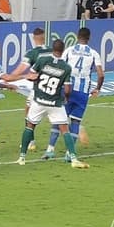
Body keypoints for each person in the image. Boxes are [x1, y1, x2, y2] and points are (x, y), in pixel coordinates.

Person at [5, 39, 89, 168]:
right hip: (55, 103)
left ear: (52, 49)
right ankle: (73, 159)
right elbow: (67, 90)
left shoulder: (42, 61)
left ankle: (22, 157)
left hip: (39, 101)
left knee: (30, 126)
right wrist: (65, 98)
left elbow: (31, 75)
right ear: (63, 50)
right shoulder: (66, 67)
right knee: (65, 129)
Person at [42, 28, 104, 160]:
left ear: (77, 36)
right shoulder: (93, 53)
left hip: (67, 89)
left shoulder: (69, 50)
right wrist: (97, 88)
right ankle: (69, 154)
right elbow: (101, 74)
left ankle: (50, 150)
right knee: (76, 121)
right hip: (83, 92)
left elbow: (60, 66)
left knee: (58, 119)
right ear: (89, 38)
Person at [3, 27, 51, 153]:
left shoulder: (32, 53)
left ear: (34, 38)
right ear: (44, 37)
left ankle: (31, 141)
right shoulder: (52, 51)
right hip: (53, 88)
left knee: (29, 112)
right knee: (58, 114)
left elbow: (20, 70)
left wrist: (7, 79)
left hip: (39, 88)